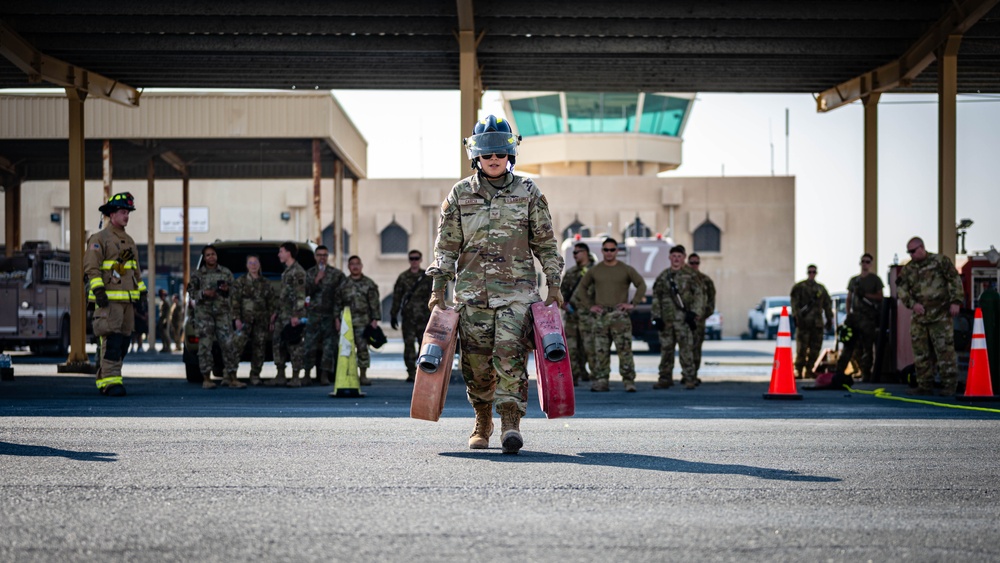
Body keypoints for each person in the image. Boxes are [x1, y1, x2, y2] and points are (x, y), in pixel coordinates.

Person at [427, 114, 564, 454]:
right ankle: (482, 420)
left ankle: (510, 424)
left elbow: (545, 244)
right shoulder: (460, 194)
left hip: (517, 295)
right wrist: (437, 289)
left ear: (510, 156)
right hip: (472, 296)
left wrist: (555, 284)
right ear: (475, 156)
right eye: (486, 153)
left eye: (499, 153)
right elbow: (446, 247)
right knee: (476, 364)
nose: (493, 159)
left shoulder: (528, 192)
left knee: (510, 358)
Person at [84, 191, 146, 397]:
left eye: (128, 212)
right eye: (122, 212)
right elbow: (91, 268)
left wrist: (142, 295)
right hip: (108, 301)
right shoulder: (99, 239)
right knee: (111, 342)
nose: (126, 216)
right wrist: (98, 290)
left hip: (127, 302)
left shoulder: (129, 240)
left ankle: (106, 378)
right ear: (112, 214)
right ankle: (111, 383)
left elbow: (136, 272)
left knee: (124, 342)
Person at [571, 237, 646, 392]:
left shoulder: (625, 269)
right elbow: (581, 289)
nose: (609, 252)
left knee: (624, 350)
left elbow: (641, 285)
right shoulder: (596, 270)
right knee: (600, 351)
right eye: (606, 250)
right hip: (601, 317)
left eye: (612, 249)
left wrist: (633, 303)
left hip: (620, 316)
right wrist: (590, 306)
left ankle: (629, 381)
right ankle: (601, 380)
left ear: (617, 251)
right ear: (602, 251)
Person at [896, 237, 965, 396]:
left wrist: (956, 301)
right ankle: (924, 385)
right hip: (920, 316)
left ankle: (949, 385)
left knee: (944, 350)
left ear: (922, 248)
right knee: (921, 352)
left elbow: (954, 279)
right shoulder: (908, 269)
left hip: (940, 314)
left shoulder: (940, 261)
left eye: (913, 251)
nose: (911, 254)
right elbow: (901, 289)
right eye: (909, 252)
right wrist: (912, 304)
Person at [188, 245, 243, 389]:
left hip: (222, 314)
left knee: (229, 345)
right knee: (205, 346)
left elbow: (236, 290)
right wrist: (204, 293)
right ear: (204, 258)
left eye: (213, 254)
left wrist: (228, 289)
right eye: (208, 255)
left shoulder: (225, 272)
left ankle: (232, 377)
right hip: (204, 315)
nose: (211, 257)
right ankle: (206, 378)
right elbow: (191, 293)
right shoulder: (198, 275)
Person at [651, 245, 705, 390]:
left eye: (679, 256)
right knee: (666, 350)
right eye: (673, 256)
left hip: (684, 320)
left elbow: (699, 295)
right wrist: (656, 317)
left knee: (686, 350)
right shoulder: (663, 276)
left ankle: (689, 378)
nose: (676, 259)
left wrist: (694, 313)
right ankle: (665, 378)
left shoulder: (691, 275)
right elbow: (656, 297)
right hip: (666, 320)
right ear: (669, 257)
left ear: (684, 258)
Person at [229, 254, 276, 386]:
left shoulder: (266, 283)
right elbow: (235, 302)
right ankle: (230, 375)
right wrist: (236, 319)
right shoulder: (240, 282)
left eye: (255, 262)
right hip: (244, 321)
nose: (253, 265)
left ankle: (255, 375)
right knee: (237, 347)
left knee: (259, 349)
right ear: (246, 266)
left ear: (259, 264)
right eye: (250, 263)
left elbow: (271, 303)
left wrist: (272, 319)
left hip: (261, 322)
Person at [302, 245, 346, 386]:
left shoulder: (336, 274)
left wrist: (337, 317)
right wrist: (317, 279)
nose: (322, 258)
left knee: (329, 347)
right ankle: (307, 374)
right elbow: (305, 292)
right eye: (319, 255)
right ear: (315, 257)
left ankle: (324, 375)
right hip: (313, 315)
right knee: (309, 345)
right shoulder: (309, 273)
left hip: (329, 316)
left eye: (325, 255)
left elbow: (340, 296)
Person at [268, 242, 308, 387]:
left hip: (292, 316)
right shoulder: (286, 272)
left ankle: (296, 376)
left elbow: (300, 296)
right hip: (283, 315)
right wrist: (276, 313)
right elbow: (284, 296)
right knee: (277, 343)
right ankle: (280, 375)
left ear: (288, 253)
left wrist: (296, 316)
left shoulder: (298, 272)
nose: (279, 255)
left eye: (281, 251)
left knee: (294, 345)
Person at [390, 249, 433, 382]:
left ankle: (422, 370)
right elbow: (397, 297)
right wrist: (393, 314)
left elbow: (435, 296)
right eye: (412, 258)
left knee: (424, 345)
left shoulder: (427, 277)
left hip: (424, 317)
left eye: (416, 258)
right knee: (408, 345)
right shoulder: (403, 277)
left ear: (420, 260)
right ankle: (411, 372)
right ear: (409, 260)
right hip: (408, 318)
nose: (414, 261)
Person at [842, 253, 884, 382]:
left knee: (868, 347)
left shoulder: (875, 279)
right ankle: (859, 369)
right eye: (863, 261)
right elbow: (849, 298)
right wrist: (848, 313)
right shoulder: (854, 280)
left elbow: (880, 297)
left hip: (869, 318)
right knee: (854, 347)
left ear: (871, 264)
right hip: (856, 317)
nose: (865, 264)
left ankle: (866, 373)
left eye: (867, 262)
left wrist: (865, 294)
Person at [341, 255, 381, 386]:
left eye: (357, 264)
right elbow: (337, 303)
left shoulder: (368, 283)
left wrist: (375, 319)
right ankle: (348, 375)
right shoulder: (343, 284)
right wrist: (336, 319)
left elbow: (374, 303)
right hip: (346, 323)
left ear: (361, 266)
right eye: (352, 264)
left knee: (363, 349)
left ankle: (363, 375)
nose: (355, 266)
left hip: (363, 322)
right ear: (348, 266)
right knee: (346, 350)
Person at [790, 264, 834, 379]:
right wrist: (797, 317)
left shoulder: (821, 289)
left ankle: (809, 370)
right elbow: (794, 304)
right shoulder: (800, 287)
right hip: (803, 323)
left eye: (814, 272)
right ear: (807, 273)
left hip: (817, 324)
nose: (812, 274)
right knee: (801, 349)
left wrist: (829, 319)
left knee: (815, 348)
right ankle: (798, 370)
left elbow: (827, 305)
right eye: (810, 272)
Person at [560, 241, 596, 386]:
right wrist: (564, 304)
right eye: (573, 252)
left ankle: (597, 377)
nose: (574, 255)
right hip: (572, 317)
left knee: (590, 348)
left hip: (589, 317)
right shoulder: (571, 273)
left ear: (586, 253)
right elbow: (561, 294)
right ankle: (573, 377)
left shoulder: (595, 272)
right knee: (571, 348)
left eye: (577, 252)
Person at [687, 252, 716, 377]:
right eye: (691, 263)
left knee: (696, 347)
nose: (694, 265)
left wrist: (703, 315)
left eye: (696, 263)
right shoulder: (682, 278)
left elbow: (711, 301)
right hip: (684, 319)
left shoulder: (705, 280)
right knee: (685, 348)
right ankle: (686, 373)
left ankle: (693, 374)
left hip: (698, 320)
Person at [157, 289, 173, 353]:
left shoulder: (166, 303)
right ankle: (164, 347)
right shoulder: (162, 303)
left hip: (165, 321)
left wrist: (166, 321)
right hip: (161, 321)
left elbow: (168, 314)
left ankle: (168, 348)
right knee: (162, 335)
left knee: (166, 335)